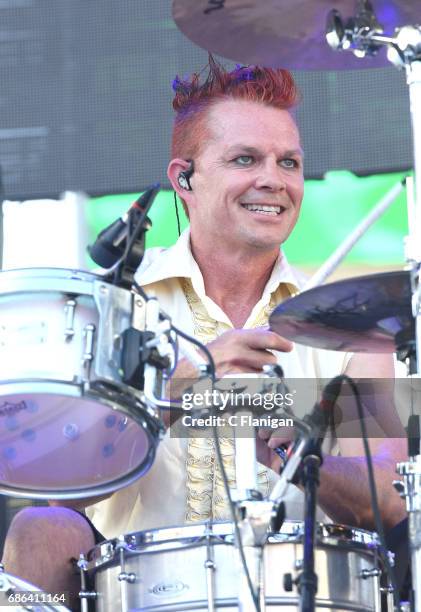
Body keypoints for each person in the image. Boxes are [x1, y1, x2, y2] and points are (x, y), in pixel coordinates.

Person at [2, 57, 407, 607]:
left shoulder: (349, 316)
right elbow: (51, 482)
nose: (274, 179)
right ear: (183, 177)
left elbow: (388, 498)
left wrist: (303, 456)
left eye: (289, 162)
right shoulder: (119, 306)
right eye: (245, 158)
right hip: (142, 590)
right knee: (40, 530)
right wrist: (164, 398)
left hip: (298, 589)